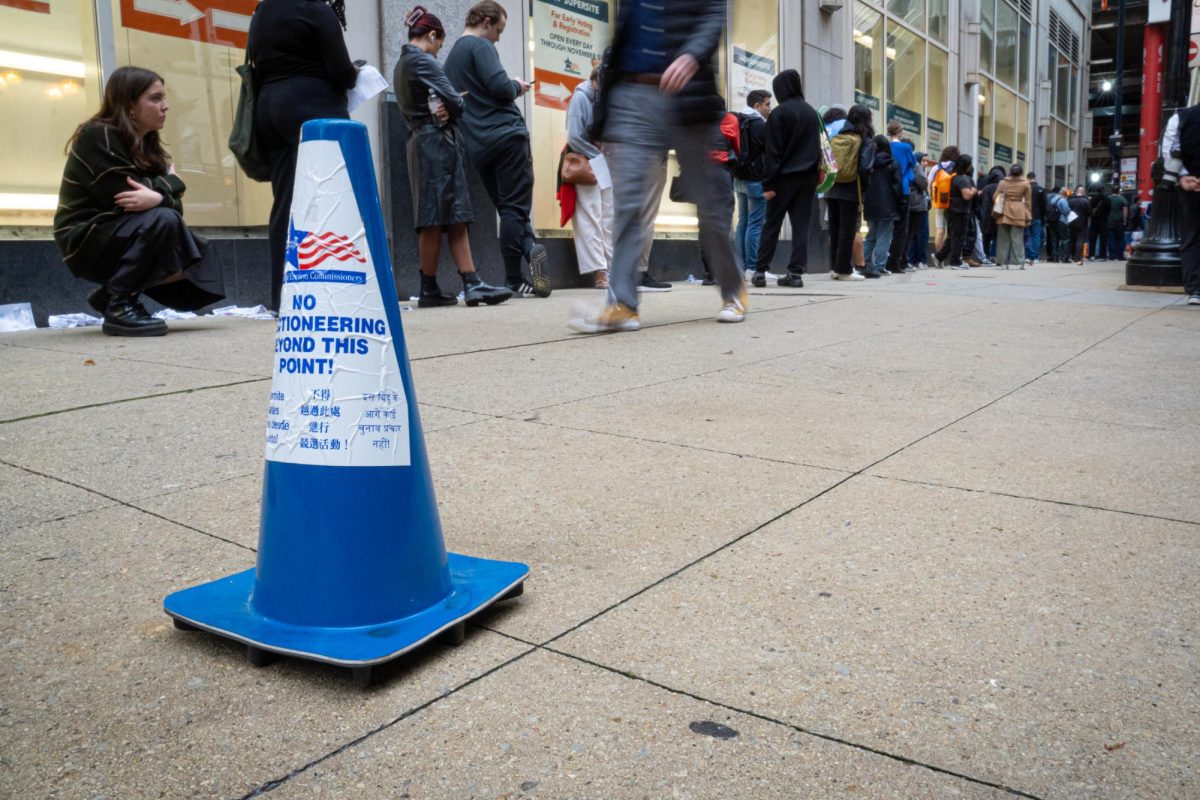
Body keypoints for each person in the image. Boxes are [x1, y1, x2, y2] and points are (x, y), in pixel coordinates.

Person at [568, 0, 747, 332]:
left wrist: (692, 55)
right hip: (633, 95)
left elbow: (713, 15)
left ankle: (732, 289)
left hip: (685, 93)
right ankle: (622, 303)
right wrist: (608, 110)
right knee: (629, 203)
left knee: (709, 204)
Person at [54, 66, 224, 337]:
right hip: (86, 238)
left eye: (164, 98)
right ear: (130, 105)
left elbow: (169, 207)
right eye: (155, 98)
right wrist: (170, 185)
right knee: (164, 220)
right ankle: (120, 304)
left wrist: (157, 196)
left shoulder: (147, 145)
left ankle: (111, 294)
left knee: (200, 253)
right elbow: (125, 199)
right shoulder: (99, 134)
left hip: (121, 233)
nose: (165, 107)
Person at [394, 7, 510, 308]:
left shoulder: (402, 63)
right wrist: (455, 102)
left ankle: (431, 286)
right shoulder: (424, 61)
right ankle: (471, 283)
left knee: (430, 218)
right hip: (438, 143)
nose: (438, 51)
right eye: (439, 44)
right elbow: (457, 103)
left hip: (418, 141)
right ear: (432, 35)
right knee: (456, 213)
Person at [248, 0, 358, 313]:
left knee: (285, 203)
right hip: (312, 107)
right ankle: (327, 290)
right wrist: (355, 73)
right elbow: (341, 71)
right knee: (327, 201)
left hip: (269, 109)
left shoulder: (263, 11)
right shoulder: (314, 8)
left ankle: (283, 296)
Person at [444, 0, 551, 297]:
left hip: (479, 146)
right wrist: (517, 85)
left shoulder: (452, 58)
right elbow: (500, 87)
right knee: (515, 209)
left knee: (507, 209)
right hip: (508, 137)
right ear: (487, 21)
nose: (498, 38)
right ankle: (514, 277)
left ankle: (530, 248)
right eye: (499, 30)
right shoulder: (480, 46)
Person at [752, 70, 820, 288]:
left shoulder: (779, 113)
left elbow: (773, 152)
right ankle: (795, 273)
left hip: (782, 179)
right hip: (808, 179)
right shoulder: (811, 112)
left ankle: (760, 271)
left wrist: (768, 183)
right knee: (801, 226)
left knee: (771, 224)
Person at [566, 67, 613, 289]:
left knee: (607, 217)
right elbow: (574, 136)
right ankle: (600, 271)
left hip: (602, 160)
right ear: (594, 80)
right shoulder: (581, 97)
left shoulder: (601, 97)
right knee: (591, 216)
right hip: (589, 161)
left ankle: (610, 268)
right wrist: (600, 155)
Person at [825, 104, 875, 281]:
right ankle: (845, 270)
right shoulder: (865, 140)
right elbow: (865, 168)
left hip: (831, 187)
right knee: (848, 231)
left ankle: (834, 268)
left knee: (835, 230)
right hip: (851, 190)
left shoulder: (839, 136)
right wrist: (866, 187)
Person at [734, 89, 771, 281]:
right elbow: (769, 152)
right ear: (757, 105)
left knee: (743, 222)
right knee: (755, 224)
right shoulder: (758, 124)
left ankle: (741, 267)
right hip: (755, 179)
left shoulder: (739, 119)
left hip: (738, 178)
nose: (769, 109)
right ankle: (753, 266)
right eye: (767, 104)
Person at [1164, 105, 1200, 304]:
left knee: (1191, 238)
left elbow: (1169, 148)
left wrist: (1184, 175)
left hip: (1189, 184)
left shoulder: (1182, 117)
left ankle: (1196, 290)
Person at [861, 134, 903, 278]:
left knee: (870, 236)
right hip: (888, 205)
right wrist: (900, 204)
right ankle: (879, 266)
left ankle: (864, 263)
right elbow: (897, 187)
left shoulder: (868, 163)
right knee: (884, 237)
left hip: (871, 204)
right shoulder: (894, 163)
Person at [931, 153, 977, 270]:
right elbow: (967, 196)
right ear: (967, 166)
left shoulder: (951, 176)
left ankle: (939, 256)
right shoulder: (962, 179)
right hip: (960, 211)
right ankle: (955, 262)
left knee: (953, 236)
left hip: (950, 209)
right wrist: (974, 190)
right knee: (958, 237)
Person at [884, 122, 917, 273]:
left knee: (885, 227)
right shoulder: (906, 148)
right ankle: (894, 261)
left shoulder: (886, 146)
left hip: (888, 189)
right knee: (901, 228)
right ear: (900, 132)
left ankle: (881, 259)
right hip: (903, 189)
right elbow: (912, 164)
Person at [994, 164, 1031, 269]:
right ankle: (1019, 262)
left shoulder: (1003, 183)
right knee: (1017, 238)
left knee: (1003, 239)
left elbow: (995, 197)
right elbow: (1028, 202)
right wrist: (1028, 216)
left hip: (1004, 210)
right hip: (1019, 211)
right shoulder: (1026, 184)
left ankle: (1002, 262)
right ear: (1021, 172)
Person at [928, 145, 959, 253]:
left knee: (940, 230)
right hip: (952, 203)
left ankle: (938, 257)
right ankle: (954, 256)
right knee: (953, 231)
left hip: (939, 202)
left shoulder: (936, 167)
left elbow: (929, 183)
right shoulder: (956, 167)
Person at [905, 153, 931, 270]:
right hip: (918, 206)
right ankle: (919, 260)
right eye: (923, 160)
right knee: (920, 234)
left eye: (927, 160)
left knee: (917, 234)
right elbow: (922, 185)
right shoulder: (917, 169)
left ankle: (914, 260)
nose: (926, 163)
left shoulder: (917, 170)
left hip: (918, 205)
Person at [978, 166, 1006, 259]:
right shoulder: (1003, 188)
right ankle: (996, 255)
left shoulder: (986, 188)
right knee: (998, 237)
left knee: (986, 238)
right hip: (998, 215)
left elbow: (983, 203)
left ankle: (986, 255)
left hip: (987, 217)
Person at [1044, 184, 1070, 263]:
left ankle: (1055, 257)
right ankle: (1065, 257)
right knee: (1065, 239)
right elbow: (1067, 211)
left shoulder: (1053, 199)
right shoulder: (1063, 200)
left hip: (1052, 221)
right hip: (1061, 221)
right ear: (1064, 193)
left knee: (1054, 239)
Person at [1024, 171, 1046, 266]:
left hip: (1025, 216)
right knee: (1036, 236)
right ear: (1035, 178)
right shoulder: (1040, 189)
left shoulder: (1025, 188)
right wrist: (1043, 217)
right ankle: (1036, 257)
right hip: (1037, 216)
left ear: (1027, 178)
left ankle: (1028, 256)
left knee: (1026, 236)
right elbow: (1044, 205)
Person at [1067, 185, 1091, 265]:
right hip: (1082, 223)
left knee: (1072, 240)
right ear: (1083, 192)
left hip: (1071, 222)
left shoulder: (1070, 201)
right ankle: (1078, 257)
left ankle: (1070, 255)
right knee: (1080, 240)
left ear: (1076, 192)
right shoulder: (1086, 201)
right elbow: (1090, 212)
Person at [1088, 185, 1112, 260]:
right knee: (1103, 239)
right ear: (1103, 191)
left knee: (1092, 239)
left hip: (1094, 220)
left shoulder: (1093, 199)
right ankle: (1103, 255)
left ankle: (1091, 255)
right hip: (1103, 221)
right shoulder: (1107, 199)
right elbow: (1109, 210)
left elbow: (1089, 209)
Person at [1106, 186, 1128, 261]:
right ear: (1119, 191)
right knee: (1120, 239)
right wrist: (1125, 221)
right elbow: (1125, 210)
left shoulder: (1108, 198)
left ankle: (1112, 255)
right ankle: (1119, 255)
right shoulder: (1122, 199)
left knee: (1111, 239)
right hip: (1119, 221)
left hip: (1109, 221)